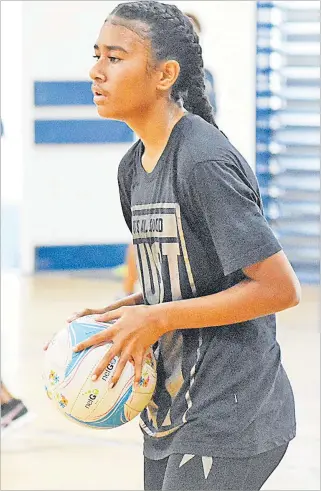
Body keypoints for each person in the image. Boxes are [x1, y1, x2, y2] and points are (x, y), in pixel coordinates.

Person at [59, 1, 301, 489]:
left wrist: (153, 318)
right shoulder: (132, 168)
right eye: (96, 55)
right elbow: (181, 281)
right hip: (172, 408)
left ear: (164, 74)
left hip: (233, 413)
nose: (96, 71)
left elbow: (278, 289)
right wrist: (126, 311)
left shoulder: (202, 160)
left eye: (114, 58)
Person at [120, 10, 217, 298]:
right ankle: (127, 289)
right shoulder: (131, 166)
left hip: (188, 160)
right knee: (145, 232)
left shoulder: (207, 160)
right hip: (159, 161)